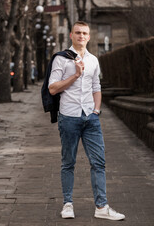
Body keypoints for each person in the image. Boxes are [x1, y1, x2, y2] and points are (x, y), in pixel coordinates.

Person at [48, 21, 125, 220]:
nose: (81, 36)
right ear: (71, 35)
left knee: (99, 162)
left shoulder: (93, 60)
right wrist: (75, 75)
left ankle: (101, 207)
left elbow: (96, 87)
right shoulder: (61, 59)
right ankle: (67, 204)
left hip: (90, 118)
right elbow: (53, 88)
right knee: (68, 162)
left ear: (89, 37)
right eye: (78, 33)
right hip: (69, 117)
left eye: (85, 33)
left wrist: (96, 110)